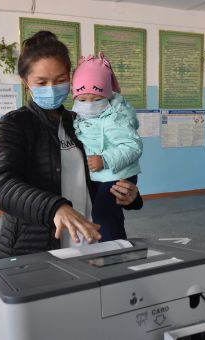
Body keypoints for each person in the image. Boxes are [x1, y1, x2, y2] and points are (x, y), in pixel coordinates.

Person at [0, 31, 143, 259]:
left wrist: (130, 197)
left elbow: (104, 171)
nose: (52, 87)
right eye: (41, 82)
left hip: (92, 241)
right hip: (36, 248)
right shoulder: (14, 124)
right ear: (26, 83)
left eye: (60, 80)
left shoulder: (80, 122)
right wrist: (55, 207)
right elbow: (2, 186)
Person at [71, 53, 143, 241]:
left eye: (96, 99)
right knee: (102, 214)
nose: (88, 105)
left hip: (118, 173)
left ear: (107, 95)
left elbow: (133, 146)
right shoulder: (79, 116)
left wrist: (105, 159)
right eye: (82, 99)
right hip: (98, 174)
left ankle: (114, 252)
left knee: (104, 214)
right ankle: (107, 248)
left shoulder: (116, 117)